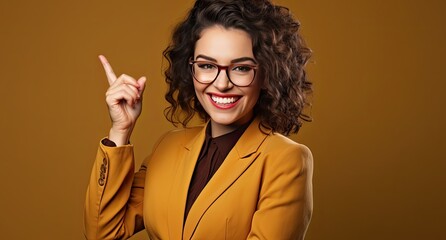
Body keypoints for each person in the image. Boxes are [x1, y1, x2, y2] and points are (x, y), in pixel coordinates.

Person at [84, 0, 313, 239]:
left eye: (241, 68)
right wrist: (120, 130)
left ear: (267, 74)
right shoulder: (168, 146)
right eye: (206, 65)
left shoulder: (287, 160)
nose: (222, 84)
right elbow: (103, 232)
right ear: (190, 69)